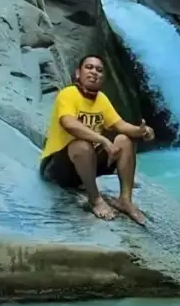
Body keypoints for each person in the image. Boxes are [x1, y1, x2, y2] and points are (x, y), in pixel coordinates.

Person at [39, 54, 155, 223]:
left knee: (124, 141)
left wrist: (142, 131)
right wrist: (103, 140)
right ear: (78, 73)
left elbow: (121, 125)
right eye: (89, 67)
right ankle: (95, 200)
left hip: (86, 167)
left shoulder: (101, 99)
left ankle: (125, 200)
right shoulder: (68, 94)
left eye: (99, 70)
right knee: (81, 144)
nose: (94, 72)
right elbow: (69, 123)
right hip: (58, 168)